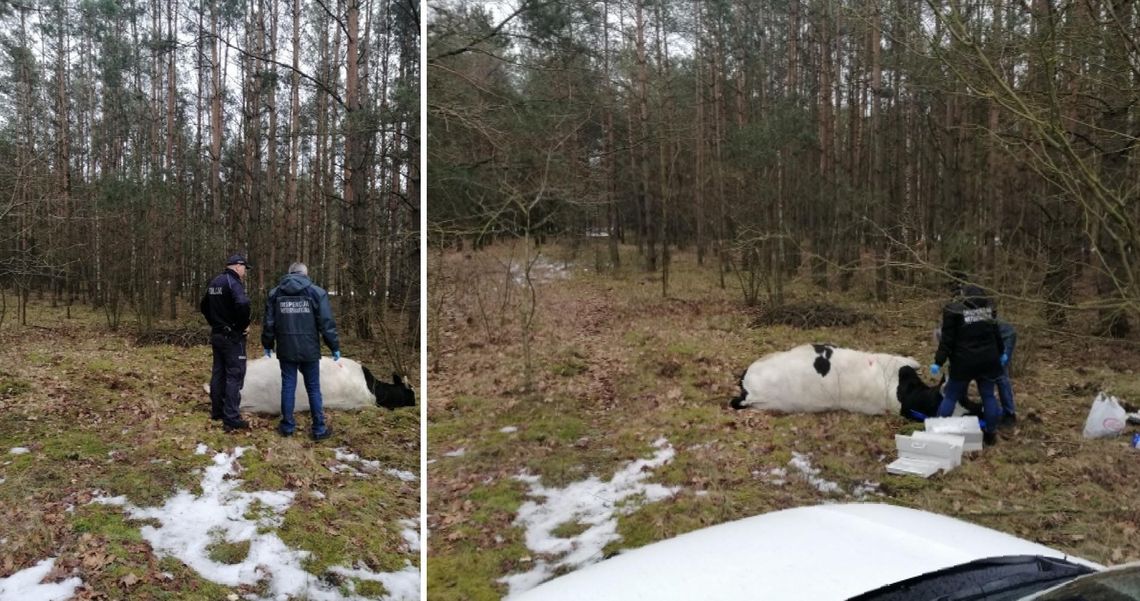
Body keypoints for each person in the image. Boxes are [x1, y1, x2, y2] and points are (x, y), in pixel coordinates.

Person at [261, 262, 340, 440]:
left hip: (286, 348)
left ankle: (287, 427)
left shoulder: (275, 293)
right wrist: (334, 346)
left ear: (289, 274)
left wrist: (267, 343)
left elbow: (269, 323)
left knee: (288, 386)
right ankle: (319, 429)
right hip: (309, 348)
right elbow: (326, 324)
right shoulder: (317, 292)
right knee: (313, 388)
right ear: (305, 274)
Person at [930, 284, 1005, 446]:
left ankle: (937, 431)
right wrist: (1002, 352)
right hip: (988, 361)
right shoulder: (988, 310)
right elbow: (996, 334)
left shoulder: (954, 311)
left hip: (964, 362)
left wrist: (938, 361)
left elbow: (947, 341)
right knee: (988, 396)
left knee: (950, 396)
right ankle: (991, 434)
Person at [200, 254, 252, 432]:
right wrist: (241, 326)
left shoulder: (215, 282)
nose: (244, 272)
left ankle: (217, 412)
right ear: (237, 266)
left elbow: (204, 306)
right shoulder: (233, 282)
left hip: (217, 335)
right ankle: (231, 417)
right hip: (232, 337)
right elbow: (243, 303)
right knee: (234, 375)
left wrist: (215, 323)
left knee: (219, 372)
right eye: (244, 268)